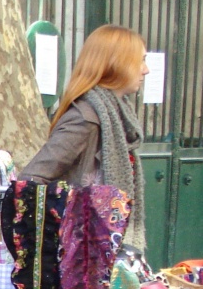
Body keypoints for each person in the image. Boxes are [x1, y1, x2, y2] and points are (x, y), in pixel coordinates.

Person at [19, 24, 150, 253]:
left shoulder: (117, 116)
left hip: (102, 251)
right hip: (81, 256)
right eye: (140, 61)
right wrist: (76, 218)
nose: (146, 70)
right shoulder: (86, 118)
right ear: (116, 63)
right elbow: (31, 179)